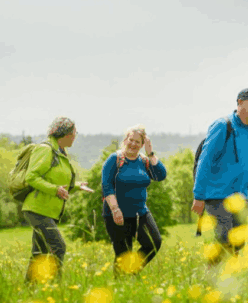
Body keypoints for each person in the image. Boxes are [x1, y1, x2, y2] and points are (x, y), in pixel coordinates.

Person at [191, 89, 248, 259]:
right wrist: (199, 196)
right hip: (217, 196)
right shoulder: (223, 126)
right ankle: (212, 274)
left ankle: (222, 274)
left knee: (238, 245)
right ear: (240, 102)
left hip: (241, 198)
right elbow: (205, 160)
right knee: (225, 242)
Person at [22, 117, 90, 281]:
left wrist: (77, 186)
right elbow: (31, 177)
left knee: (39, 253)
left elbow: (58, 182)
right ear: (65, 134)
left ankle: (29, 288)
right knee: (58, 247)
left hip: (46, 210)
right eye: (74, 133)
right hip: (37, 209)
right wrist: (55, 190)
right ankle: (55, 286)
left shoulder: (59, 152)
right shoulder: (46, 150)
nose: (75, 136)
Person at [101, 125, 167, 274]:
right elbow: (106, 186)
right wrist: (115, 209)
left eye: (138, 142)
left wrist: (150, 153)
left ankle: (132, 271)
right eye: (131, 140)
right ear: (125, 140)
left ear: (142, 144)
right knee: (123, 253)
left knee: (154, 243)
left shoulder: (144, 161)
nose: (133, 144)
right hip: (117, 213)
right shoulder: (115, 159)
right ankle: (121, 283)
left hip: (140, 213)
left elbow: (160, 175)